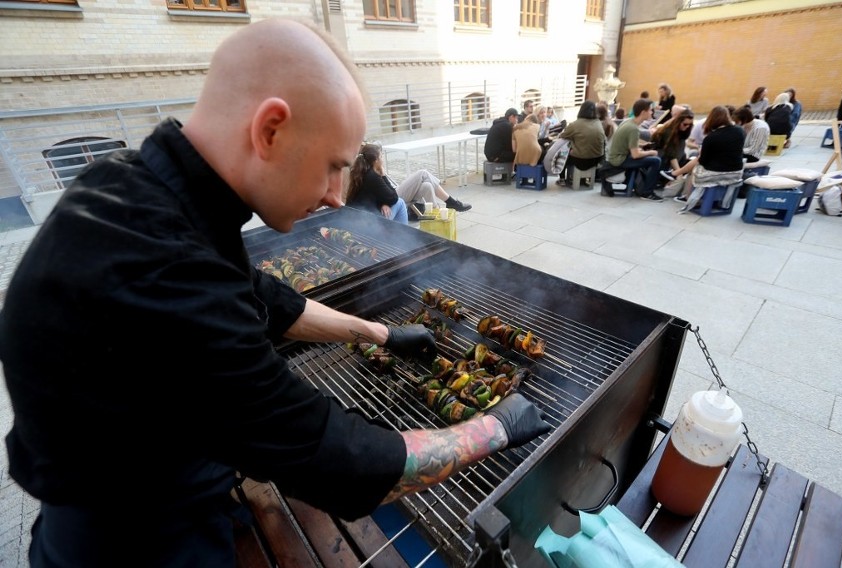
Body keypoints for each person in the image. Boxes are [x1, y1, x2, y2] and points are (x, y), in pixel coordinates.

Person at [0, 18, 550, 568]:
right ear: (270, 130)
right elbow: (336, 461)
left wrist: (376, 331)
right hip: (139, 541)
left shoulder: (140, 189)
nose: (338, 197)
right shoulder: (164, 275)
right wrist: (492, 427)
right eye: (334, 166)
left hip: (153, 474)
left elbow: (258, 293)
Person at [676, 105, 745, 212]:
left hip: (716, 173)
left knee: (694, 168)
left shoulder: (711, 137)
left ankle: (688, 197)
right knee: (697, 161)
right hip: (736, 172)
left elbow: (703, 161)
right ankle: (677, 173)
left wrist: (701, 152)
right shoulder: (740, 131)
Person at [607, 98, 664, 201]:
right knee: (656, 160)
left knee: (650, 157)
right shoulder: (633, 128)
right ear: (643, 112)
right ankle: (647, 193)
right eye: (650, 110)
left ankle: (642, 186)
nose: (652, 112)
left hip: (617, 156)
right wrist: (651, 152)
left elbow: (631, 145)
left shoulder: (628, 121)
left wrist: (644, 147)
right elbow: (635, 155)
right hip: (619, 160)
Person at [345, 144, 408, 223]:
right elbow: (393, 198)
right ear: (376, 160)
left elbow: (373, 194)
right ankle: (401, 234)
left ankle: (392, 233)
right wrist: (384, 175)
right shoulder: (372, 176)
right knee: (400, 202)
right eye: (381, 157)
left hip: (353, 217)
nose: (382, 160)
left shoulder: (360, 172)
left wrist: (383, 203)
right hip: (368, 223)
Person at [555, 100, 606, 187]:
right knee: (583, 149)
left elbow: (562, 136)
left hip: (581, 160)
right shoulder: (598, 123)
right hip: (597, 159)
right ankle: (583, 180)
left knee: (563, 154)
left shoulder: (575, 124)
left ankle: (562, 179)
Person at [652, 108, 695, 179]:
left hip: (672, 156)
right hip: (661, 154)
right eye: (685, 124)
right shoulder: (668, 131)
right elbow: (671, 154)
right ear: (679, 121)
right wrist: (678, 172)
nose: (687, 126)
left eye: (690, 125)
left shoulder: (682, 131)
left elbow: (679, 152)